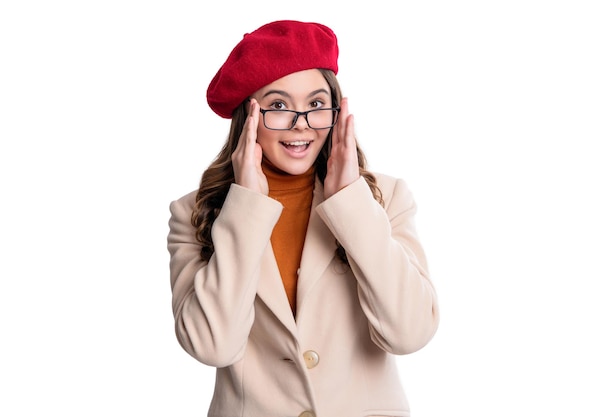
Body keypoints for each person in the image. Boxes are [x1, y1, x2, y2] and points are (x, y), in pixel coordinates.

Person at [167, 20, 439, 417]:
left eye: (315, 104)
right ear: (248, 116)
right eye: (278, 106)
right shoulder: (193, 212)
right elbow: (213, 345)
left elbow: (410, 333)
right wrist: (245, 207)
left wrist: (350, 201)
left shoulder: (385, 196)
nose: (301, 124)